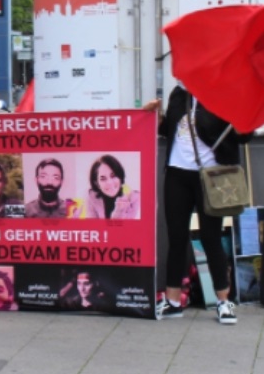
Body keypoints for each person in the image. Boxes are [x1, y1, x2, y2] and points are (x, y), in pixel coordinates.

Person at [154, 84, 253, 325]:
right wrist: (157, 116)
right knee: (176, 237)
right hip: (177, 173)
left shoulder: (222, 94)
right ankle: (173, 301)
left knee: (211, 237)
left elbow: (243, 135)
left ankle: (223, 301)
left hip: (212, 176)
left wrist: (245, 124)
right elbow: (168, 131)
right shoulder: (179, 94)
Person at [82, 154, 140, 219]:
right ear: (97, 183)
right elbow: (93, 227)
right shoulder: (91, 197)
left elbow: (126, 228)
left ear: (120, 177)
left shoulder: (133, 199)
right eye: (103, 179)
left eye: (113, 176)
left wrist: (120, 211)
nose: (109, 182)